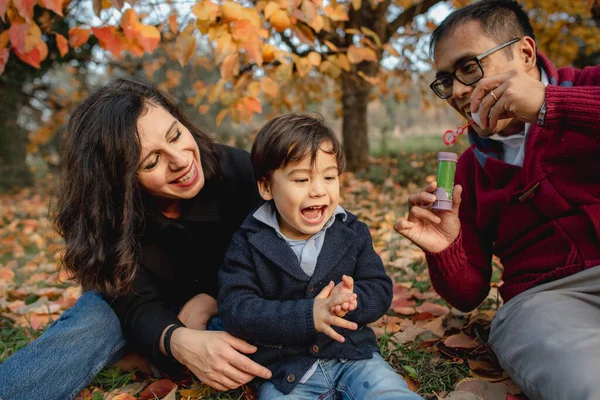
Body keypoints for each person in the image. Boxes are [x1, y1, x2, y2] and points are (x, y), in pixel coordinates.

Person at [0, 78, 272, 400]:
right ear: (120, 180)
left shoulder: (239, 172)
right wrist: (176, 340)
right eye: (151, 162)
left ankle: (144, 361)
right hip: (145, 317)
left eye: (175, 135)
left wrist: (210, 300)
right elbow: (129, 302)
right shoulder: (112, 219)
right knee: (97, 316)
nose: (181, 160)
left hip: (238, 303)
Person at [394, 1, 600, 400]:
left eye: (469, 68)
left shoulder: (588, 86)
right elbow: (470, 294)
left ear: (525, 53)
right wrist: (446, 249)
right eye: (445, 81)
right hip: (546, 302)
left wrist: (549, 104)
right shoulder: (468, 171)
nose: (456, 92)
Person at [217, 112, 423, 399]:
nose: (318, 190)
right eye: (301, 179)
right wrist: (307, 315)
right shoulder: (248, 242)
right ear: (266, 187)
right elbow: (237, 309)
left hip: (353, 358)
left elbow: (379, 288)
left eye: (329, 177)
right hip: (285, 373)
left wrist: (348, 302)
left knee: (389, 391)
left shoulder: (351, 231)